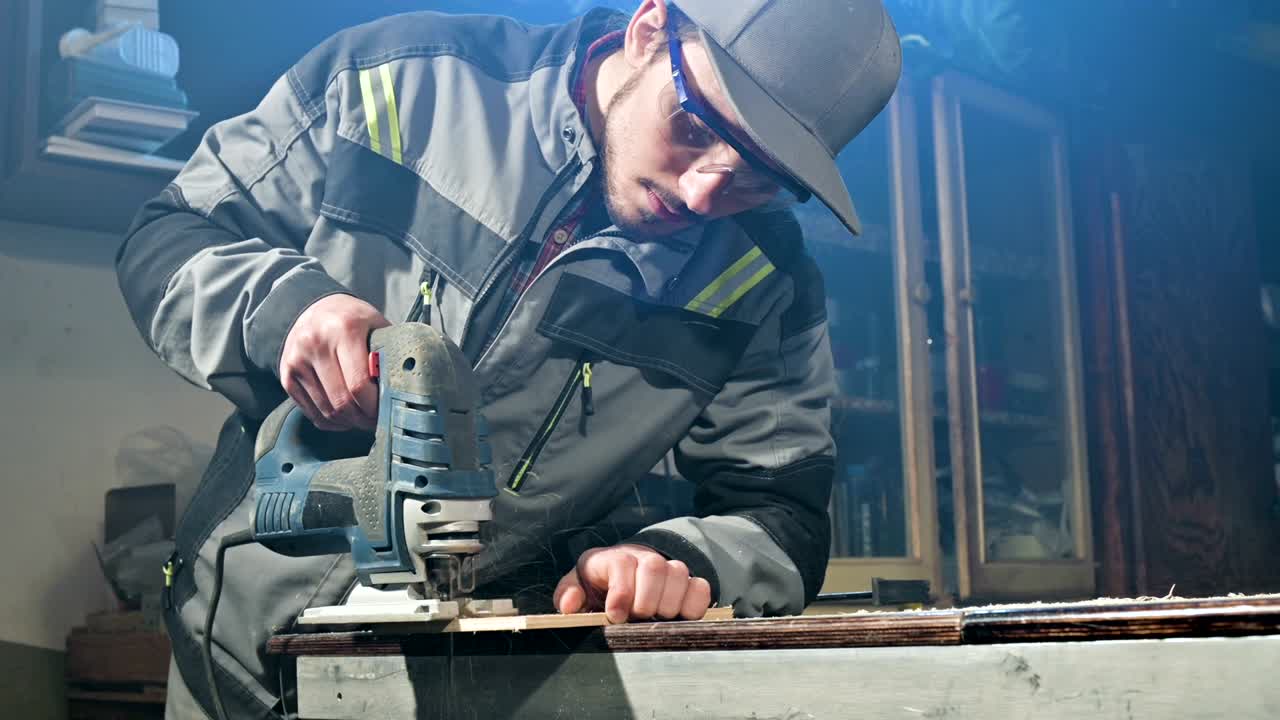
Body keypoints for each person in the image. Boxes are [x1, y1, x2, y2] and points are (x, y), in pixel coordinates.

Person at [116, 0, 901, 716]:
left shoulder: (765, 281)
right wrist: (289, 309)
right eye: (694, 125)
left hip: (480, 682)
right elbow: (168, 236)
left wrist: (674, 559)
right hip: (225, 657)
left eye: (757, 181)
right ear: (648, 29)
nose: (702, 194)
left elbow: (785, 518)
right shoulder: (402, 79)